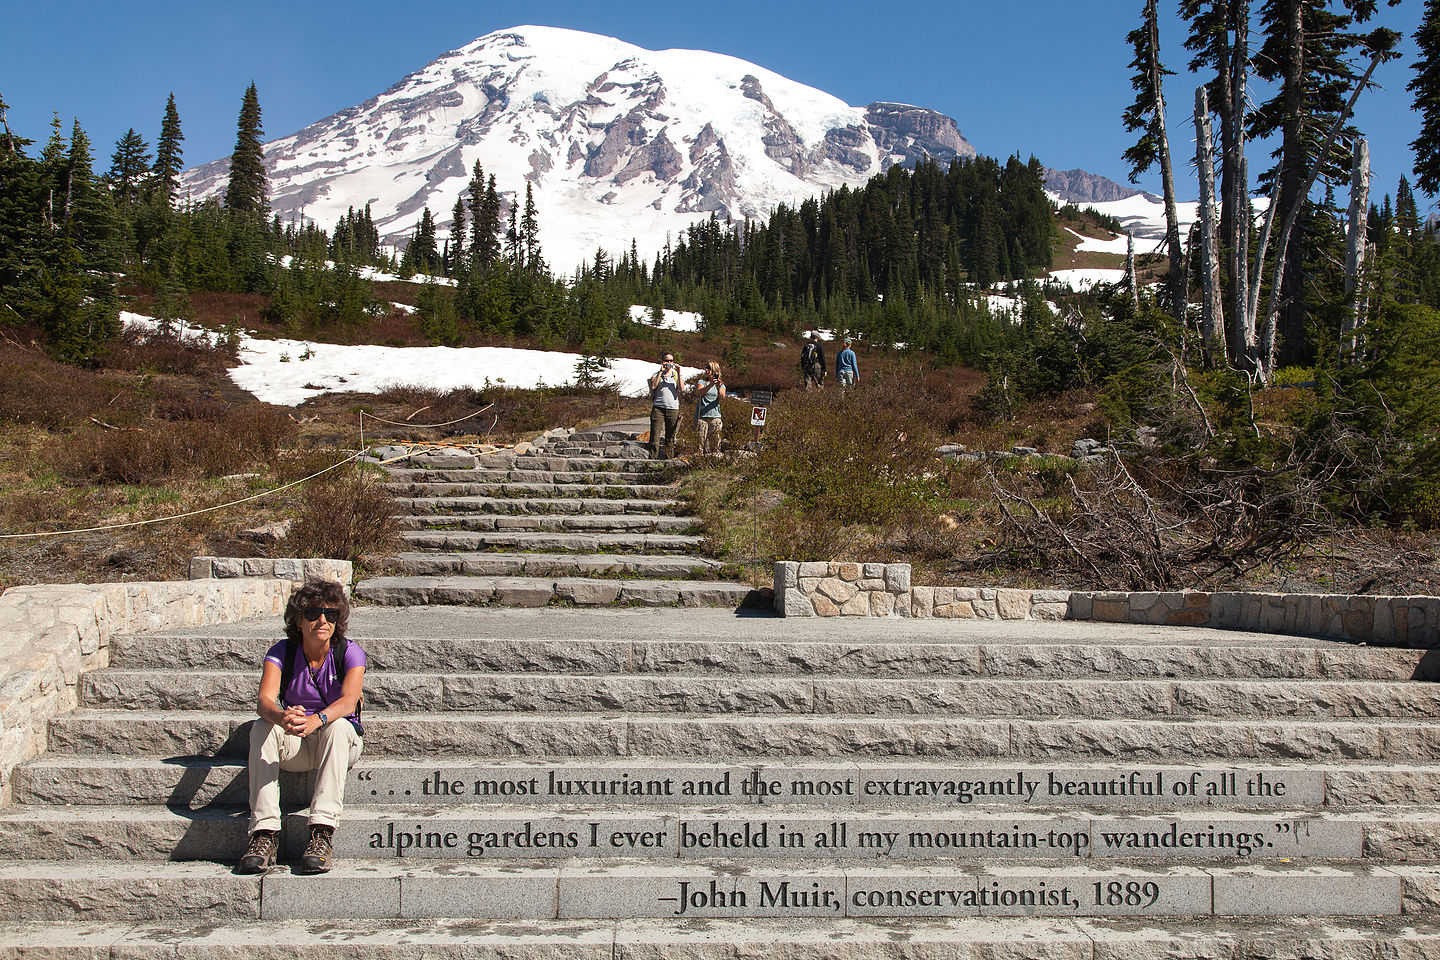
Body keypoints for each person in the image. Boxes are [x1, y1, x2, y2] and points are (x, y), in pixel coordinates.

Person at [238, 579, 365, 875]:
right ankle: (264, 834)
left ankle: (321, 832)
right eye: (313, 614)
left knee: (340, 726)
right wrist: (282, 716)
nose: (322, 620)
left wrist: (316, 719)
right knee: (261, 727)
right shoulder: (282, 652)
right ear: (298, 619)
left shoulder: (350, 652)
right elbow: (264, 701)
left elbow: (349, 702)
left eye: (331, 614)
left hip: (335, 741)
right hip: (295, 741)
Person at [648, 352, 682, 459]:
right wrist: (661, 372)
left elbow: (682, 388)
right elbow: (653, 386)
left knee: (670, 435)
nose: (669, 363)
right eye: (666, 360)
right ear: (662, 361)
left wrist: (679, 372)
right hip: (658, 407)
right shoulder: (656, 374)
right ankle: (653, 457)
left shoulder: (675, 375)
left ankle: (669, 458)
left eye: (671, 360)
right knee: (655, 434)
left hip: (673, 407)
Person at [694, 360, 726, 455]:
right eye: (706, 367)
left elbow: (722, 397)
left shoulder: (721, 385)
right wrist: (710, 385)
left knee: (715, 441)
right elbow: (700, 392)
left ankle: (715, 459)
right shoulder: (702, 382)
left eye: (708, 368)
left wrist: (717, 387)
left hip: (715, 415)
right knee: (700, 441)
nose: (706, 370)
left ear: (714, 370)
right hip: (702, 415)